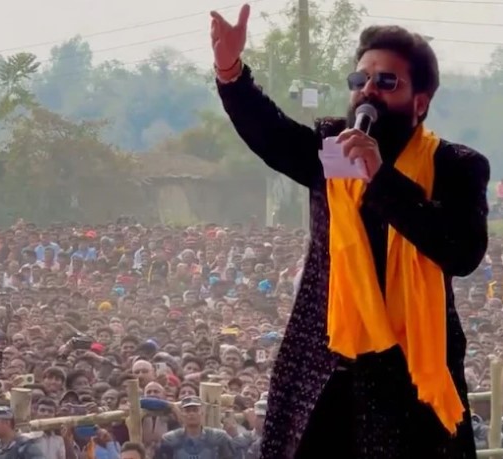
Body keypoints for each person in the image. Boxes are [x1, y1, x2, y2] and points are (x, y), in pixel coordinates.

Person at [210, 3, 489, 459]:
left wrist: (382, 178)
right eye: (360, 80)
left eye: (387, 82)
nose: (368, 91)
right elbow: (273, 135)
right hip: (324, 366)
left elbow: (463, 251)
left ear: (420, 103)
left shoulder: (455, 166)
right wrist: (230, 72)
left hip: (409, 376)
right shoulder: (333, 150)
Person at [155, 396, 237, 459]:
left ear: (202, 413)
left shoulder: (219, 438)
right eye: (187, 411)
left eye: (195, 410)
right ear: (182, 414)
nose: (191, 414)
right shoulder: (170, 440)